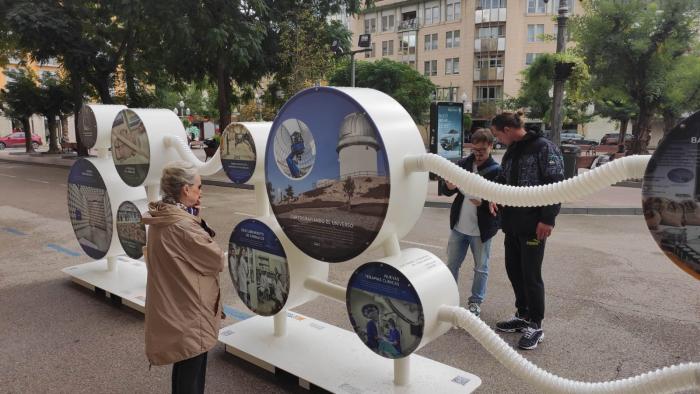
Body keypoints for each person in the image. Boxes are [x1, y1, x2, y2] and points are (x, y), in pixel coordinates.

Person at [142, 161, 224, 394]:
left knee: (184, 362)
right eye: (199, 186)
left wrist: (193, 218)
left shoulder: (163, 216)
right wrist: (196, 222)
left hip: (175, 303)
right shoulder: (183, 226)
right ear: (186, 189)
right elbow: (216, 260)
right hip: (190, 309)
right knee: (192, 370)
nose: (201, 191)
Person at [490, 112, 564, 350]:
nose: (498, 140)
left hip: (534, 224)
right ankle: (522, 315)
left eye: (497, 135)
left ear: (508, 129)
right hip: (511, 223)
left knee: (531, 275)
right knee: (514, 270)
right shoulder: (512, 150)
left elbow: (556, 184)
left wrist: (548, 218)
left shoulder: (544, 148)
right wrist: (494, 197)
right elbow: (502, 179)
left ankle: (536, 324)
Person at [439, 128, 501, 317]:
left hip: (481, 230)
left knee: (481, 268)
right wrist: (447, 186)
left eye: (482, 150)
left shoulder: (497, 171)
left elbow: (502, 205)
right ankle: (449, 298)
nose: (478, 154)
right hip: (459, 226)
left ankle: (475, 302)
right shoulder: (464, 164)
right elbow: (448, 190)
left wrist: (483, 203)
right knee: (452, 265)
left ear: (491, 146)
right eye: (474, 150)